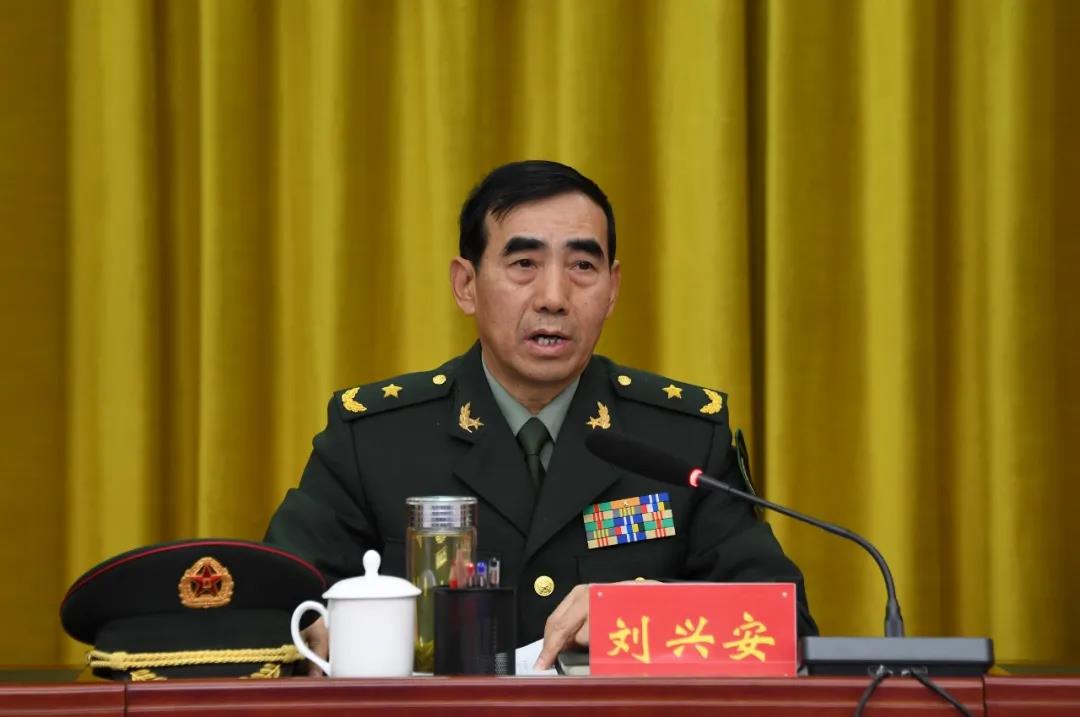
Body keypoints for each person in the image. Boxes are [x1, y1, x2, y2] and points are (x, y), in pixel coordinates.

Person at [264, 160, 816, 671]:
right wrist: (319, 631)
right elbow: (267, 610)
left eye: (582, 266)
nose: (554, 296)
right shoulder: (376, 440)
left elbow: (787, 629)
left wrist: (642, 615)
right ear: (466, 285)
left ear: (612, 289)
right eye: (524, 264)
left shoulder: (682, 439)